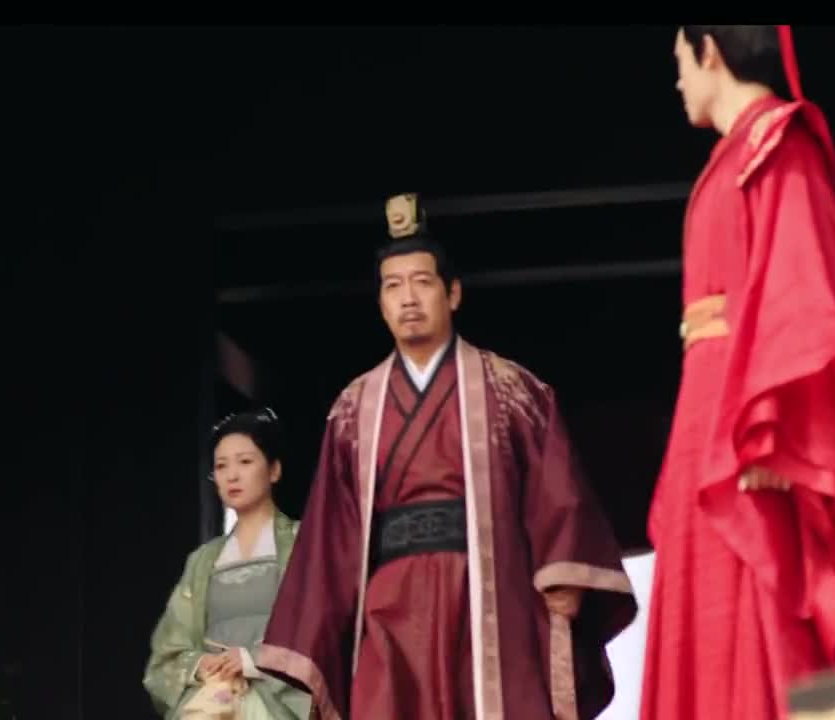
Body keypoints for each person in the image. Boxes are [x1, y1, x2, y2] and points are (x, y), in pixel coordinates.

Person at [256, 193, 637, 720]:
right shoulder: (353, 408)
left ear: (452, 293)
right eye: (393, 286)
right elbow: (330, 534)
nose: (408, 298)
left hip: (487, 594)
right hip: (390, 601)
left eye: (422, 282)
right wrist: (320, 629)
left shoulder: (512, 390)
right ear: (380, 303)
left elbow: (558, 492)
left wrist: (563, 575)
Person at [641, 25, 835, 720]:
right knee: (711, 616)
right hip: (708, 418)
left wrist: (780, 428)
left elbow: (804, 287)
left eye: (681, 60)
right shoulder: (734, 156)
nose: (678, 80)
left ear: (710, 50)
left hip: (752, 426)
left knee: (770, 616)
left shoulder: (780, 144)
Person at [143, 408, 312, 719]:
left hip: (277, 704)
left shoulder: (304, 543)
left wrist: (252, 660)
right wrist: (199, 664)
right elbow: (169, 649)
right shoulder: (202, 561)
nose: (232, 475)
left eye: (245, 462)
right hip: (215, 699)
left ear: (274, 470)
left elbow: (322, 625)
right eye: (221, 466)